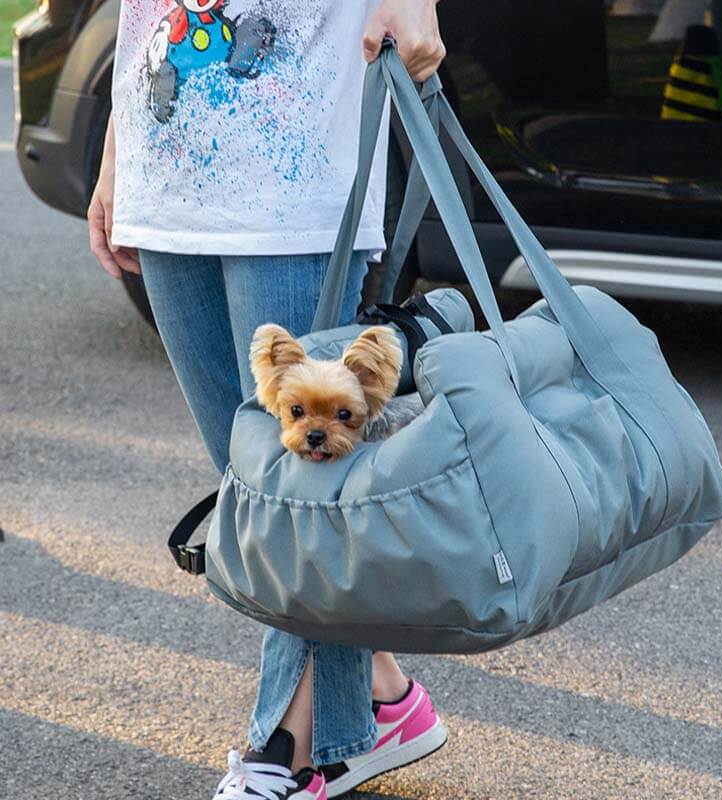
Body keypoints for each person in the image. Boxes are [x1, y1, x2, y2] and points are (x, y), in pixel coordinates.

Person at [87, 1, 447, 797]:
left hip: (293, 182)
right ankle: (379, 697)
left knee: (298, 502)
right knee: (255, 498)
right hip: (163, 169)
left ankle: (289, 746)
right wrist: (117, 152)